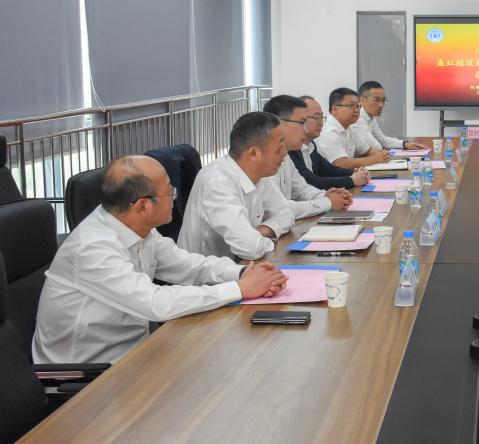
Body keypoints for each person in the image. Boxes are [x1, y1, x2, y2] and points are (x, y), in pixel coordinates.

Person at [32, 156, 288, 363]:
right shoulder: (93, 248)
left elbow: (187, 265)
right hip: (88, 374)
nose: (175, 197)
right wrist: (239, 289)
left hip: (136, 351)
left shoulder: (137, 228)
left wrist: (241, 274)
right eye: (170, 192)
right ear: (143, 206)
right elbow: (155, 303)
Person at [178, 112, 294, 261]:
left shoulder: (260, 175)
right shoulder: (216, 182)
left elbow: (286, 214)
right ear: (254, 153)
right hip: (207, 274)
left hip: (239, 266)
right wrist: (259, 238)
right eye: (280, 147)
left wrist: (262, 231)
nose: (285, 152)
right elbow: (251, 248)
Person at [263, 94, 353, 218]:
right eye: (301, 122)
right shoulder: (263, 158)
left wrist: (327, 196)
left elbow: (302, 189)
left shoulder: (286, 156)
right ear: (279, 123)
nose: (305, 130)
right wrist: (328, 202)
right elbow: (278, 209)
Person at [290, 95, 369, 190]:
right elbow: (311, 181)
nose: (321, 123)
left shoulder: (311, 144)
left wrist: (355, 173)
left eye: (321, 117)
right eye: (316, 117)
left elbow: (329, 169)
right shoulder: (291, 149)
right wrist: (352, 180)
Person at [317, 87, 388, 170]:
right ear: (335, 109)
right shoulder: (329, 132)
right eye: (351, 105)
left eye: (358, 106)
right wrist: (376, 159)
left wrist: (383, 154)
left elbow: (367, 150)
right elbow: (342, 164)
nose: (357, 110)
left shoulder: (350, 128)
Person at [351, 80, 428, 151]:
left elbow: (382, 139)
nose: (381, 105)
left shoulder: (370, 116)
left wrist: (404, 144)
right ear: (362, 100)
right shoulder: (358, 118)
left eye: (383, 100)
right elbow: (375, 146)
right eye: (376, 100)